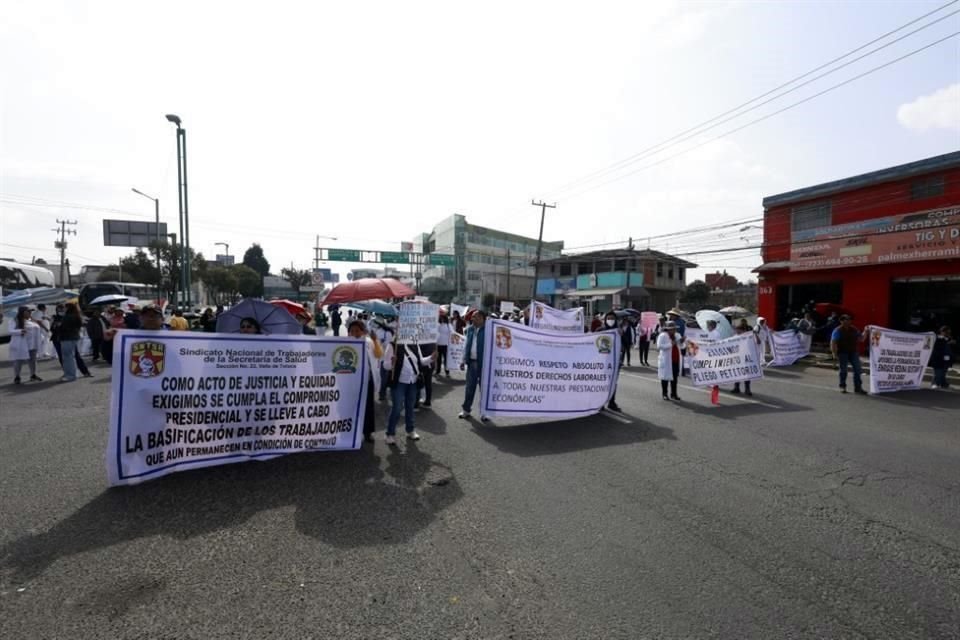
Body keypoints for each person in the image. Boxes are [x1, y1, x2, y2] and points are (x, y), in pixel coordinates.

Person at [386, 341, 429, 444]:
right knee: (397, 407)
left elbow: (421, 361)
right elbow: (385, 365)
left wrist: (431, 358)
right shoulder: (392, 345)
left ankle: (410, 430)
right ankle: (390, 433)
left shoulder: (415, 344)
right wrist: (391, 362)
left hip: (413, 381)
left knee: (410, 406)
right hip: (399, 382)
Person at [348, 319, 382, 443]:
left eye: (357, 330)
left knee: (368, 407)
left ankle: (368, 432)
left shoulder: (369, 342)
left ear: (363, 331)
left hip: (367, 380)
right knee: (351, 406)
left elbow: (379, 355)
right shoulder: (346, 343)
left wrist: (375, 340)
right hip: (351, 382)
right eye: (352, 331)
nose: (354, 333)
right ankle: (351, 431)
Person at [459, 310, 488, 421]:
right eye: (473, 317)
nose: (472, 319)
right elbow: (466, 345)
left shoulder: (489, 330)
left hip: (484, 364)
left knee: (484, 389)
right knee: (469, 388)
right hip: (472, 363)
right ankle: (466, 410)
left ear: (482, 318)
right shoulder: (470, 329)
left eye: (475, 317)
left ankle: (484, 412)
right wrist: (463, 360)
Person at [830, 315, 867, 394]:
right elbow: (833, 342)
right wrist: (834, 353)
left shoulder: (854, 329)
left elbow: (861, 339)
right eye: (845, 320)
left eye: (849, 319)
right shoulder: (837, 330)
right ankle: (842, 386)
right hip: (842, 352)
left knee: (857, 369)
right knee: (843, 370)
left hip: (853, 352)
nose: (848, 321)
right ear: (841, 321)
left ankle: (858, 388)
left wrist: (866, 331)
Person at [58, 302, 92, 381]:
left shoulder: (68, 316)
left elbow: (64, 327)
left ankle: (70, 375)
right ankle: (73, 374)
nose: (64, 309)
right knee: (71, 357)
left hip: (67, 338)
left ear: (68, 308)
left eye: (65, 307)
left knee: (68, 358)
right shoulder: (76, 315)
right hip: (73, 337)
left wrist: (59, 326)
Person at [10, 306, 42, 384]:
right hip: (21, 345)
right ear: (23, 312)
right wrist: (20, 331)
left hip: (32, 344)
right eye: (28, 311)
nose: (30, 313)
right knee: (18, 361)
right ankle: (17, 377)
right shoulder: (14, 320)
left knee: (33, 361)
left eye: (30, 311)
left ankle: (33, 375)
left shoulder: (31, 320)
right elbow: (10, 330)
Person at [599, 311, 622, 412]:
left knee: (613, 382)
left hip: (615, 362)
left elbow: (627, 344)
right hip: (602, 363)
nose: (610, 320)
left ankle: (612, 402)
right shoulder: (600, 330)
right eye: (608, 318)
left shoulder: (619, 331)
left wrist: (622, 335)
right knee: (602, 383)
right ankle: (600, 403)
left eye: (612, 318)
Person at [657, 320, 684, 400]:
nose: (673, 330)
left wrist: (682, 342)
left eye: (674, 329)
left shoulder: (677, 335)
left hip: (675, 359)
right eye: (672, 329)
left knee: (675, 378)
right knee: (665, 377)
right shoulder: (663, 335)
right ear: (667, 329)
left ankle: (674, 394)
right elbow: (659, 346)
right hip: (666, 360)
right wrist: (670, 344)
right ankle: (664, 393)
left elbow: (682, 346)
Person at [731, 319, 756, 396]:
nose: (738, 332)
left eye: (739, 331)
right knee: (737, 373)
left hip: (746, 357)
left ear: (744, 330)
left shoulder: (748, 337)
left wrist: (755, 335)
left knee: (747, 374)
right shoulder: (734, 337)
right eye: (737, 330)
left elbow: (756, 344)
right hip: (737, 358)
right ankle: (736, 387)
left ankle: (747, 389)